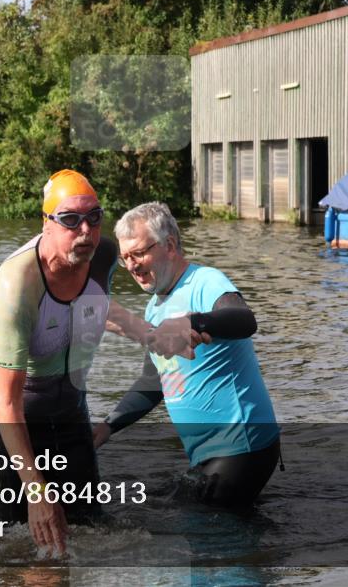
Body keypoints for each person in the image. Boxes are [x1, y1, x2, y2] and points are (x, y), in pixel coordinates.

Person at [93, 202, 281, 508]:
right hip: (208, 452)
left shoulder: (205, 282)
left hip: (242, 446)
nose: (132, 266)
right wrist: (108, 426)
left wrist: (193, 322)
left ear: (168, 246)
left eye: (139, 253)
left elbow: (245, 320)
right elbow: (155, 381)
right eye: (126, 258)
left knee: (201, 533)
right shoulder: (154, 306)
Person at [0, 169, 117, 555]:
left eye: (95, 217)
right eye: (70, 220)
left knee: (90, 527)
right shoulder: (15, 283)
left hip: (68, 405)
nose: (85, 230)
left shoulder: (104, 253)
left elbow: (100, 305)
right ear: (47, 223)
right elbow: (7, 402)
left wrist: (153, 330)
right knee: (16, 540)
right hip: (6, 412)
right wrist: (36, 491)